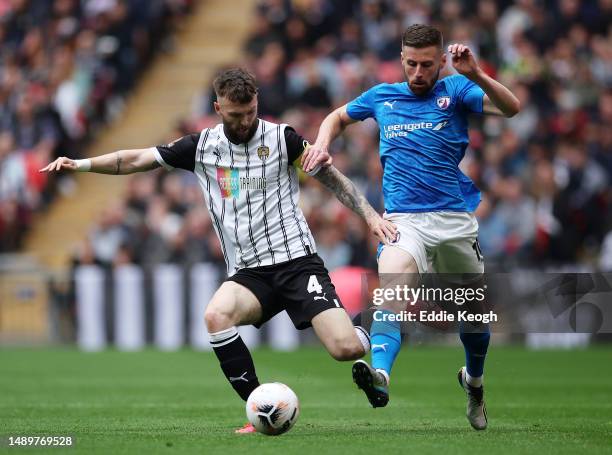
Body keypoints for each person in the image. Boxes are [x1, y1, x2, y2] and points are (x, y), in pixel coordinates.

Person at [41, 68, 397, 433]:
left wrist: (371, 217)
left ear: (257, 103)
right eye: (235, 115)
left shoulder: (282, 139)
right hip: (249, 273)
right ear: (217, 107)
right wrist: (80, 164)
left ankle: (382, 315)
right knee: (216, 316)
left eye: (250, 112)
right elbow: (136, 160)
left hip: (297, 263)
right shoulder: (201, 147)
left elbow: (331, 178)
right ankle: (260, 407)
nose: (244, 122)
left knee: (346, 350)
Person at [301, 24, 520, 430]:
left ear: (440, 61)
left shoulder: (456, 90)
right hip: (403, 221)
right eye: (411, 64)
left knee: (473, 318)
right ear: (401, 60)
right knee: (392, 291)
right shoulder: (382, 95)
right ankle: (381, 376)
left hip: (454, 221)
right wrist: (322, 143)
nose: (418, 73)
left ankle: (474, 383)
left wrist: (475, 73)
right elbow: (336, 116)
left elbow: (511, 108)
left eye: (426, 65)